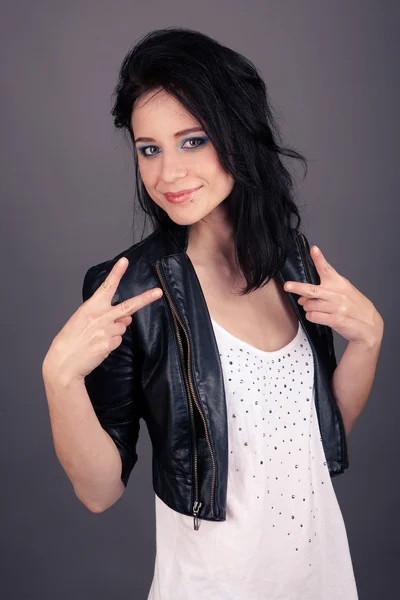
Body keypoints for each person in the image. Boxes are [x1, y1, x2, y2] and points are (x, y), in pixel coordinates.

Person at [42, 26, 360, 600]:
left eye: (192, 141)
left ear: (236, 135)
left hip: (324, 578)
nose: (168, 174)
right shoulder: (132, 288)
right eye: (149, 149)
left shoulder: (291, 259)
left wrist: (369, 340)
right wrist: (59, 379)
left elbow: (315, 439)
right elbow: (99, 491)